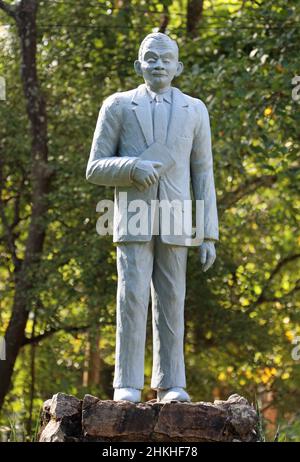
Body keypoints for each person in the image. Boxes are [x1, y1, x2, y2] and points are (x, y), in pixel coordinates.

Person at [86, 33, 218, 403]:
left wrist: (209, 234)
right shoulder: (118, 105)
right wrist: (132, 167)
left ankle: (171, 383)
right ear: (138, 65)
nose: (158, 64)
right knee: (130, 297)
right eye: (150, 58)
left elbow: (203, 173)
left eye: (165, 58)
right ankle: (126, 383)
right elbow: (94, 167)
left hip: (177, 216)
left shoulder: (196, 110)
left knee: (172, 299)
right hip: (133, 214)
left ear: (178, 67)